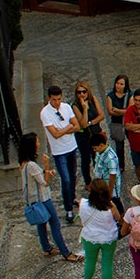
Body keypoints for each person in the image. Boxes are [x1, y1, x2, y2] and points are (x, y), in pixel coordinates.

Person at [18, 132, 78, 262]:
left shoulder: (23, 163)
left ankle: (46, 248)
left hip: (35, 200)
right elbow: (45, 183)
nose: (39, 144)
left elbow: (35, 178)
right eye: (37, 142)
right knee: (55, 224)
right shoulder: (32, 165)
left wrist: (46, 172)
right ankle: (66, 253)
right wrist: (46, 165)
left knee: (42, 223)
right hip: (43, 199)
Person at [75, 179, 122, 279]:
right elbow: (118, 218)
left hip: (89, 238)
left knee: (90, 261)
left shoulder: (82, 203)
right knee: (107, 264)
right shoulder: (111, 207)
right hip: (108, 239)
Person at [40, 85, 80, 223]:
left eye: (59, 99)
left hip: (71, 147)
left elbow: (77, 126)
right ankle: (68, 208)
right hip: (59, 151)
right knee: (66, 179)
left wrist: (65, 128)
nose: (57, 102)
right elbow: (55, 134)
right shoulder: (45, 113)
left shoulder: (66, 107)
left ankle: (72, 196)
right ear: (49, 98)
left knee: (73, 175)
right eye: (54, 99)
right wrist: (68, 127)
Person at [72, 80, 104, 187]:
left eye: (84, 91)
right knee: (86, 159)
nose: (82, 94)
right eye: (79, 92)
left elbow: (101, 115)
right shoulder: (75, 106)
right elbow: (83, 124)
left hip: (95, 134)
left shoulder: (93, 99)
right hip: (84, 137)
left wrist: (91, 122)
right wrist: (85, 109)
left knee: (98, 158)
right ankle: (88, 182)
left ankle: (99, 179)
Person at [90, 132, 122, 215]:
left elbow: (113, 175)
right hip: (102, 185)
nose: (94, 150)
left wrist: (110, 191)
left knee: (116, 204)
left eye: (95, 148)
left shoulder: (110, 158)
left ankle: (121, 220)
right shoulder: (100, 152)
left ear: (101, 145)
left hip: (109, 187)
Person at [104, 74, 132, 172]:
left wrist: (118, 110)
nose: (119, 86)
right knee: (119, 147)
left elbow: (130, 110)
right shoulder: (110, 96)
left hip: (128, 123)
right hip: (117, 124)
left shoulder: (129, 95)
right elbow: (110, 111)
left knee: (133, 144)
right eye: (117, 83)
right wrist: (123, 111)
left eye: (121, 84)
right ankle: (121, 165)